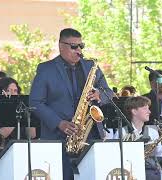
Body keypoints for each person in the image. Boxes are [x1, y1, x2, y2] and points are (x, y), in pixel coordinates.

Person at [29, 28, 112, 180]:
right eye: (74, 47)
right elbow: (35, 102)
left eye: (82, 46)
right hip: (58, 137)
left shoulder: (91, 66)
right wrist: (59, 123)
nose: (79, 51)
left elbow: (109, 92)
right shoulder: (46, 69)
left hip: (90, 135)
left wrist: (99, 95)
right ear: (61, 46)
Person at [113, 96, 162, 180]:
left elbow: (160, 154)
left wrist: (155, 148)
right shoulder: (121, 132)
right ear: (134, 111)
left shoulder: (153, 132)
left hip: (149, 170)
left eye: (149, 108)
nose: (149, 112)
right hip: (128, 171)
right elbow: (115, 155)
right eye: (145, 109)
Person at [0, 77, 35, 147]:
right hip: (1, 150)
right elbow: (2, 135)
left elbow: (32, 135)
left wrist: (28, 116)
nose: (13, 93)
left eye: (15, 91)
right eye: (9, 90)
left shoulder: (21, 107)